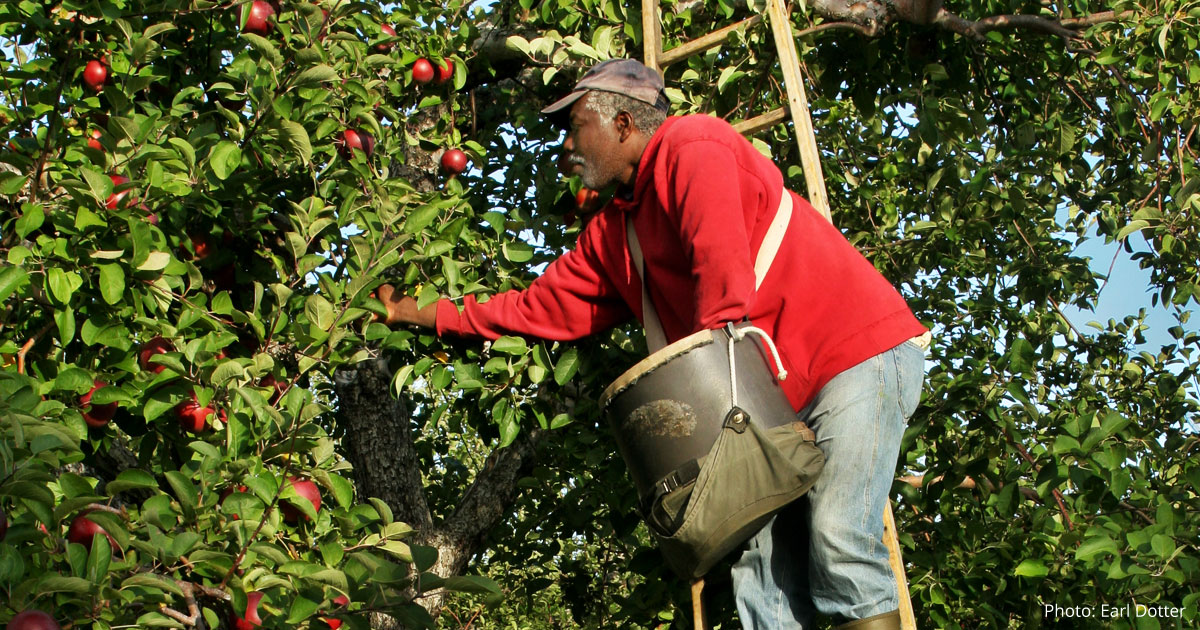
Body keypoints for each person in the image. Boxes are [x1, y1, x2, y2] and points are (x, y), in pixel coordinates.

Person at [375, 58, 927, 630]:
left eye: (576, 128)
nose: (567, 146)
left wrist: (722, 426)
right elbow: (533, 309)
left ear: (621, 124)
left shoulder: (694, 144)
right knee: (762, 579)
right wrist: (412, 311)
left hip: (850, 355)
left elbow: (722, 274)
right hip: (772, 401)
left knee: (837, 539)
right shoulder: (615, 233)